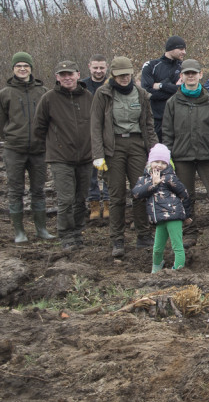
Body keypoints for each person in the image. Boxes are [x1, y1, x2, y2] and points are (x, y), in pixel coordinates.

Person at [90, 56, 158, 257]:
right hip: (114, 148)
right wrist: (98, 154)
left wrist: (154, 152)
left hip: (137, 145)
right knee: (117, 195)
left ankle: (143, 235)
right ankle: (117, 239)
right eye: (120, 75)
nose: (124, 78)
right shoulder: (103, 94)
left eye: (127, 74)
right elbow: (95, 125)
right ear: (113, 75)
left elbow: (148, 125)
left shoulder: (141, 94)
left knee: (140, 191)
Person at [161, 59, 209, 247]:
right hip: (182, 157)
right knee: (185, 196)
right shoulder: (172, 102)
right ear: (181, 76)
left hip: (208, 155)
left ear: (200, 74)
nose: (190, 76)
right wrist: (168, 157)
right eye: (187, 73)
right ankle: (190, 232)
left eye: (194, 73)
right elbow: (167, 132)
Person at [32, 60, 93, 250]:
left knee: (80, 198)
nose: (67, 78)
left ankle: (77, 232)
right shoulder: (49, 98)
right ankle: (66, 235)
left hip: (86, 157)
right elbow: (39, 128)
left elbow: (97, 124)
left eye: (70, 74)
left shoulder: (88, 96)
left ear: (77, 74)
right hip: (60, 158)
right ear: (57, 78)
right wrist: (52, 147)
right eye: (62, 75)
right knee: (65, 199)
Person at [0, 52, 53, 243]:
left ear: (31, 67)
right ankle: (19, 232)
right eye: (18, 65)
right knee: (15, 190)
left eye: (26, 65)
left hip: (39, 149)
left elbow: (50, 119)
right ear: (13, 68)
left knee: (38, 190)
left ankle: (41, 229)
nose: (22, 68)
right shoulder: (5, 93)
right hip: (14, 149)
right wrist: (10, 137)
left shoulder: (43, 91)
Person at [131, 143, 189, 273]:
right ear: (150, 162)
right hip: (159, 218)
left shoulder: (170, 177)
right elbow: (136, 194)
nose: (159, 165)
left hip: (173, 215)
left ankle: (178, 270)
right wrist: (153, 184)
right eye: (156, 161)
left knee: (177, 246)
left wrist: (187, 214)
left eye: (163, 162)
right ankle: (156, 268)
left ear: (167, 164)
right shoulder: (145, 179)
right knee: (157, 248)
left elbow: (184, 194)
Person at [140, 35, 185, 141]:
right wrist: (174, 89)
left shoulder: (184, 67)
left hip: (178, 121)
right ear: (171, 49)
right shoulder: (150, 66)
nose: (184, 52)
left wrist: (161, 85)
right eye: (181, 49)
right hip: (156, 121)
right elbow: (147, 93)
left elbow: (184, 90)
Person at [84, 54, 109, 220]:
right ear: (89, 67)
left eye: (101, 68)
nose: (98, 71)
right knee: (90, 172)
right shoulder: (82, 85)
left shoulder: (111, 85)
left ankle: (108, 203)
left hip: (108, 134)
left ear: (106, 68)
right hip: (87, 134)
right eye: (95, 68)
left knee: (108, 171)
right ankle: (93, 203)